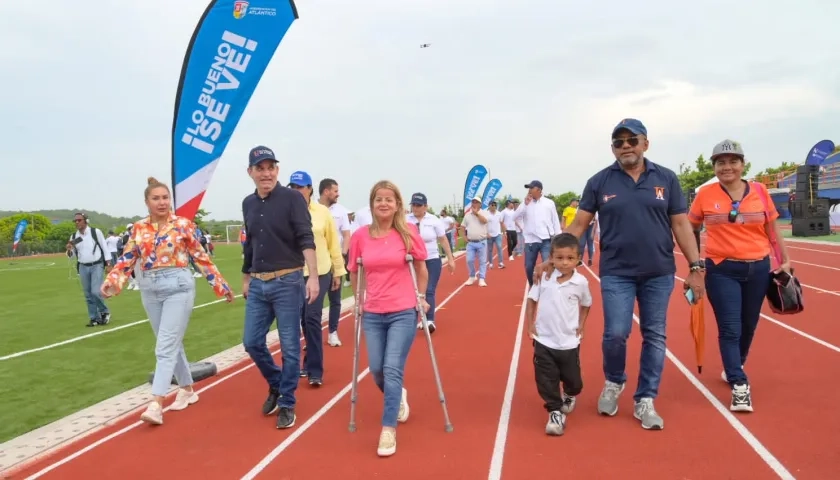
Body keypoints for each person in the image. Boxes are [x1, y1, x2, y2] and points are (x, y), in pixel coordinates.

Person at [540, 118, 704, 430]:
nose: (626, 146)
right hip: (616, 272)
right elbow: (579, 225)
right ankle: (614, 381)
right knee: (615, 333)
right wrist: (553, 256)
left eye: (632, 140)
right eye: (619, 142)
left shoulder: (667, 179)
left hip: (659, 271)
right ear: (613, 148)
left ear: (645, 143)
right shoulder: (599, 182)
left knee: (655, 334)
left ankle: (645, 399)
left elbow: (682, 225)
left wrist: (696, 267)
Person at [100, 177, 234, 425]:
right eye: (156, 198)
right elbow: (127, 258)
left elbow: (201, 258)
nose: (162, 203)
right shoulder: (138, 229)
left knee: (165, 346)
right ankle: (187, 389)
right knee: (171, 342)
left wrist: (220, 285)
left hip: (178, 287)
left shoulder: (183, 225)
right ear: (146, 202)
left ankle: (156, 403)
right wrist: (113, 282)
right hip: (149, 289)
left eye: (165, 198)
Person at [688, 139, 792, 413]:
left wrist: (785, 260)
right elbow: (691, 228)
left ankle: (734, 364)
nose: (727, 167)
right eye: (721, 162)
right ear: (714, 167)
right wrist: (695, 264)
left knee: (749, 325)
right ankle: (739, 383)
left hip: (758, 268)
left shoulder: (759, 191)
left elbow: (772, 229)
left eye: (733, 161)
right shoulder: (705, 195)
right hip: (722, 270)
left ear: (742, 164)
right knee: (730, 328)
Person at [346, 180, 429, 457]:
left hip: (403, 310)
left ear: (397, 205)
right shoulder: (359, 236)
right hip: (372, 311)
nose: (383, 203)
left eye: (389, 199)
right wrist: (358, 301)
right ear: (372, 204)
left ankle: (388, 428)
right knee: (377, 370)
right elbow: (355, 271)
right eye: (378, 199)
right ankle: (398, 394)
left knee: (392, 368)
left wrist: (422, 296)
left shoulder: (408, 233)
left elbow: (421, 266)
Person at [241, 145, 320, 430]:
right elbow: (250, 242)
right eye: (260, 168)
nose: (266, 173)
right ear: (250, 172)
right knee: (251, 341)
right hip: (259, 283)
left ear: (277, 170)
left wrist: (311, 276)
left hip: (288, 281)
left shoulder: (292, 199)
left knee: (289, 345)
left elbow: (305, 237)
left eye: (270, 167)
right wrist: (246, 277)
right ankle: (276, 383)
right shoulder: (248, 204)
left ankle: (287, 400)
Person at [526, 233, 592, 436]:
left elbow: (586, 304)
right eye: (559, 258)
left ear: (578, 259)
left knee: (573, 380)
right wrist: (530, 324)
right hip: (544, 339)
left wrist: (581, 325)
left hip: (569, 341)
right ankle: (554, 411)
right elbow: (532, 300)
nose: (564, 263)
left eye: (570, 258)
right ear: (551, 258)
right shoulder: (544, 277)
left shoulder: (581, 282)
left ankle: (570, 394)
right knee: (546, 378)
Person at [288, 171, 346, 386]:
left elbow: (333, 243)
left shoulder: (322, 212)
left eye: (300, 187)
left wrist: (338, 272)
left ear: (310, 189)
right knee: (300, 319)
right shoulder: (286, 210)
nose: (296, 191)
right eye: (292, 187)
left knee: (312, 318)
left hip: (320, 271)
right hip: (294, 272)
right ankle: (302, 361)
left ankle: (315, 370)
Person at [407, 192, 456, 333]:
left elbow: (443, 240)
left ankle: (429, 320)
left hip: (432, 259)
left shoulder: (434, 220)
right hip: (413, 260)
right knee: (413, 290)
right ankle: (413, 318)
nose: (415, 208)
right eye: (413, 205)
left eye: (418, 205)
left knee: (429, 289)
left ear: (425, 206)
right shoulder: (405, 220)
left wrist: (451, 259)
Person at [317, 177, 352, 347]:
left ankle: (333, 332)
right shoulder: (311, 208)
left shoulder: (341, 211)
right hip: (316, 262)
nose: (338, 194)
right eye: (335, 191)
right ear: (326, 191)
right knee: (313, 301)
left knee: (335, 299)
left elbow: (346, 235)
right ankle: (312, 335)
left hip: (335, 260)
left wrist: (343, 255)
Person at [66, 212, 112, 327]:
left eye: (79, 220)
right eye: (75, 221)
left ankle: (104, 312)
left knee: (96, 292)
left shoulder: (95, 232)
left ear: (86, 220)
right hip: (82, 266)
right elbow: (71, 255)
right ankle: (94, 318)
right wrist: (69, 249)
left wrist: (108, 263)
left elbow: (104, 247)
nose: (77, 222)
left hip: (97, 265)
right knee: (88, 294)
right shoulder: (74, 237)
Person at [514, 181, 562, 287]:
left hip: (546, 240)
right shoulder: (525, 203)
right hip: (531, 241)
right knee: (529, 266)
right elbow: (515, 217)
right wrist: (525, 204)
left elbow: (555, 221)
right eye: (528, 188)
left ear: (539, 190)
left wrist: (558, 237)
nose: (529, 191)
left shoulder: (549, 203)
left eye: (532, 188)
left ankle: (547, 286)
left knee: (548, 264)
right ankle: (532, 285)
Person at [459, 196, 490, 286]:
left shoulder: (484, 213)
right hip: (471, 242)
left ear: (480, 204)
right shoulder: (467, 215)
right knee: (469, 260)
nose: (474, 204)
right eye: (473, 202)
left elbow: (484, 221)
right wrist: (464, 236)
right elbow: (463, 226)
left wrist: (476, 214)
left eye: (476, 202)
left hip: (482, 241)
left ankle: (482, 278)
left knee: (482, 261)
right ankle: (472, 276)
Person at [485, 200, 506, 269]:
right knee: (490, 250)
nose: (494, 206)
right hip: (489, 235)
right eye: (492, 205)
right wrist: (486, 233)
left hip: (498, 234)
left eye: (495, 205)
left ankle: (501, 262)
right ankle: (490, 263)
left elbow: (501, 223)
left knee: (499, 247)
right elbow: (484, 224)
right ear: (489, 206)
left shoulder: (499, 214)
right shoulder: (486, 214)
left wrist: (504, 232)